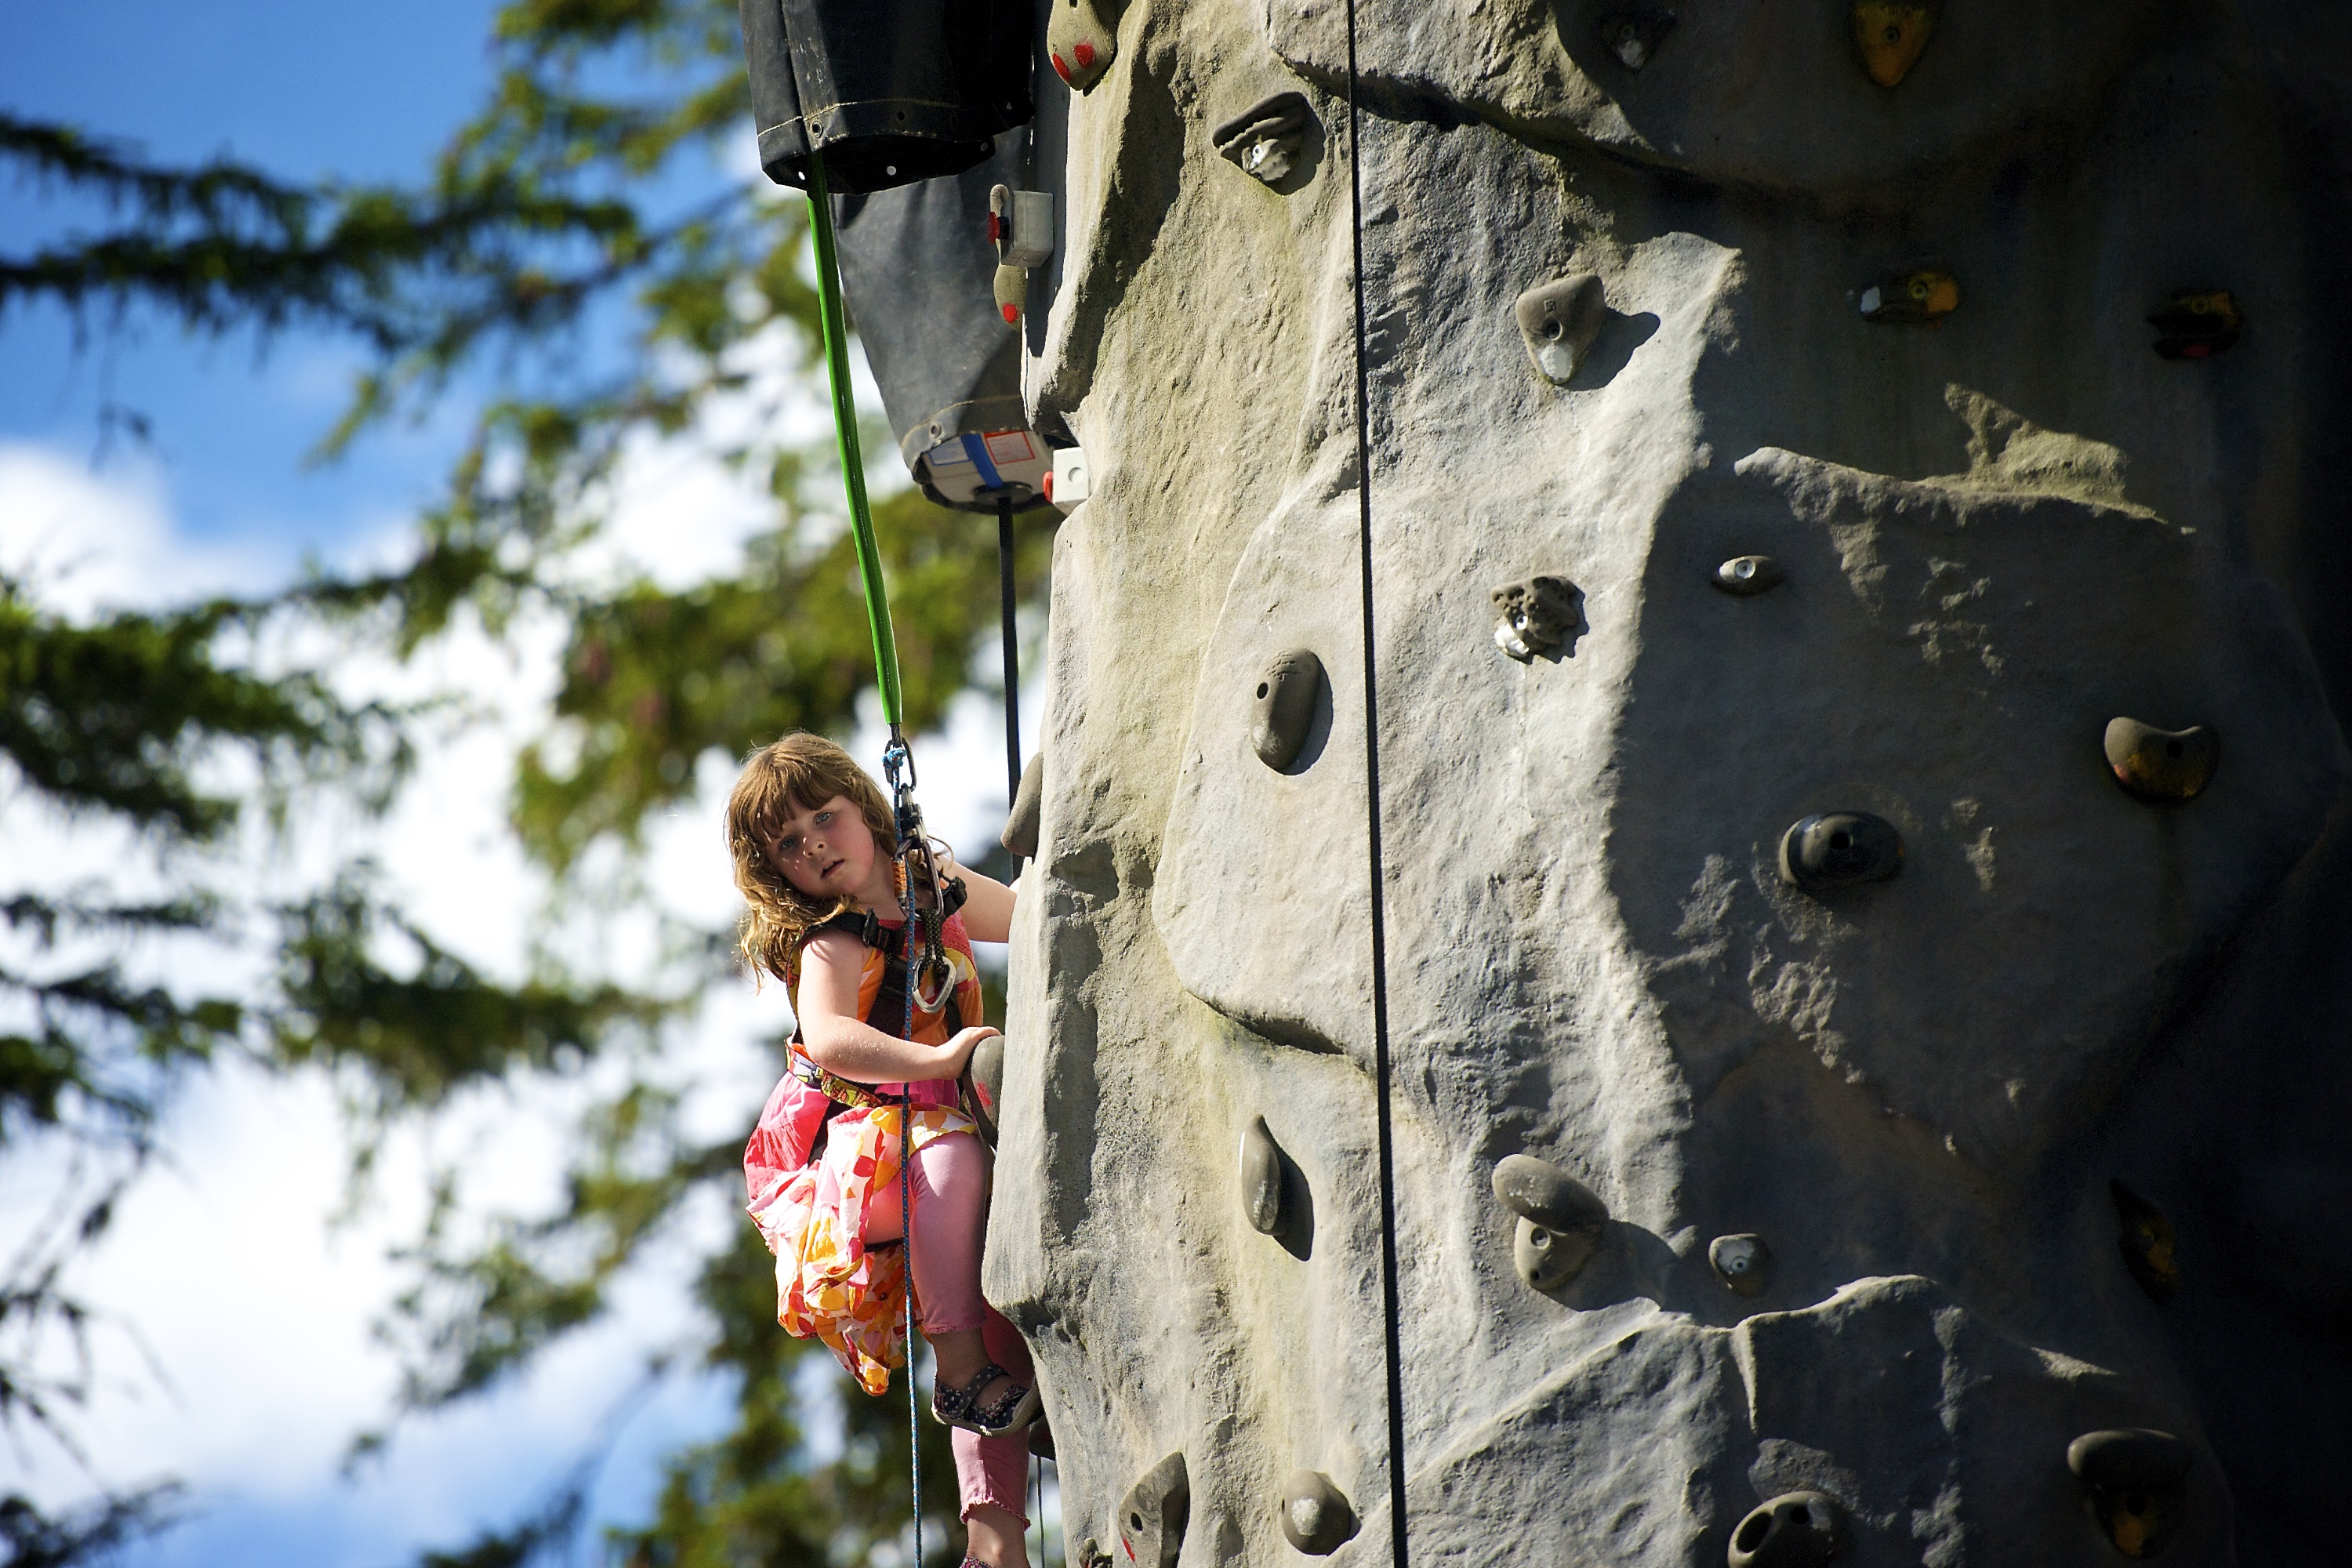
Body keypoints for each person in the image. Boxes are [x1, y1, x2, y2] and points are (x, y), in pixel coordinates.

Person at [729, 733, 1036, 1568]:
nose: (815, 844)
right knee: (952, 1158)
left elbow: (1030, 916)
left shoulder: (929, 886)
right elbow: (829, 1035)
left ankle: (994, 1538)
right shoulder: (833, 942)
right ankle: (958, 1365)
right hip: (848, 1160)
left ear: (866, 809)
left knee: (999, 1278)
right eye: (788, 843)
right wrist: (940, 1061)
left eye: (824, 817)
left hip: (930, 1143)